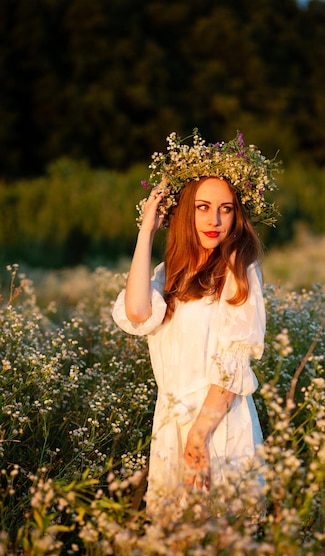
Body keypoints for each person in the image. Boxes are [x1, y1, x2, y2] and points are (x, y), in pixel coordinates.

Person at [112, 130, 279, 516]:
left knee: (221, 549)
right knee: (173, 547)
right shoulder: (167, 274)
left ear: (238, 215)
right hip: (171, 425)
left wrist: (199, 436)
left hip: (215, 426)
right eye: (203, 207)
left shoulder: (240, 269)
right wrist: (146, 231)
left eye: (226, 209)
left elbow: (233, 363)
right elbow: (137, 314)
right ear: (185, 211)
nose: (215, 220)